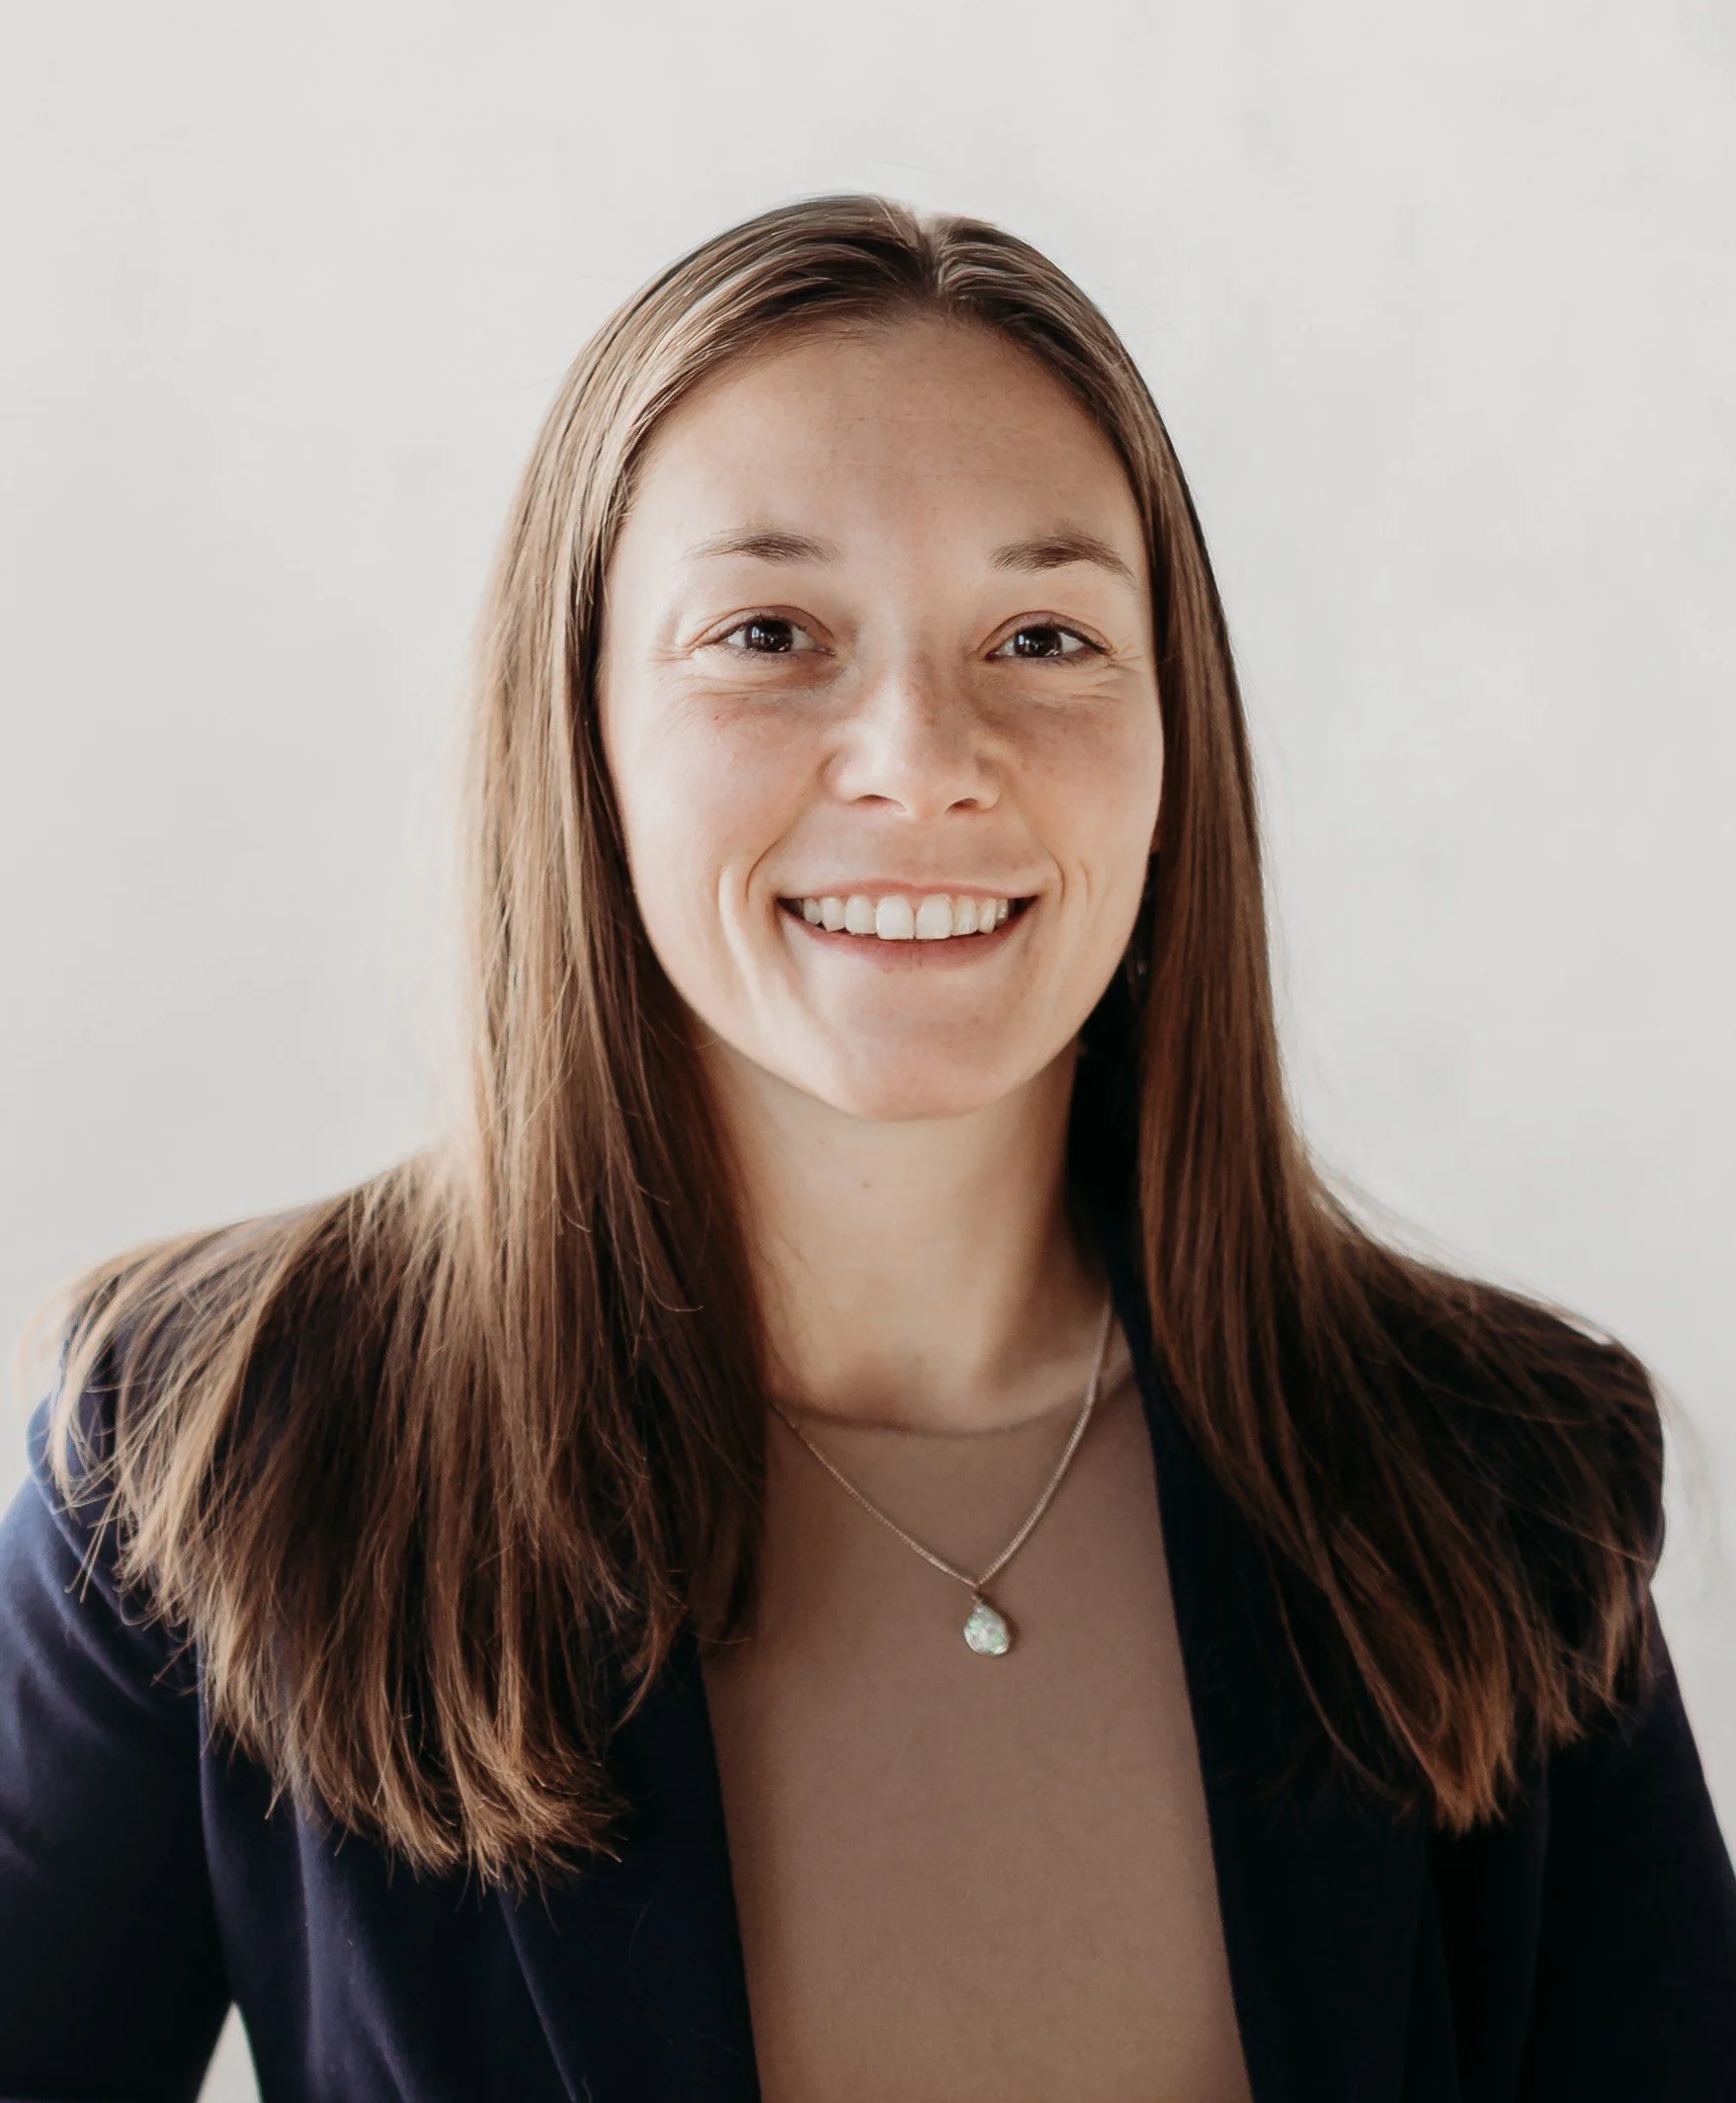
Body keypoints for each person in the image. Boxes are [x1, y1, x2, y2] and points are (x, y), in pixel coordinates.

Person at [1, 194, 1732, 2103]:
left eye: (1044, 634)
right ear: (579, 733)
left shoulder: (1505, 1486)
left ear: (1178, 744)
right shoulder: (211, 1449)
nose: (921, 752)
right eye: (767, 632)